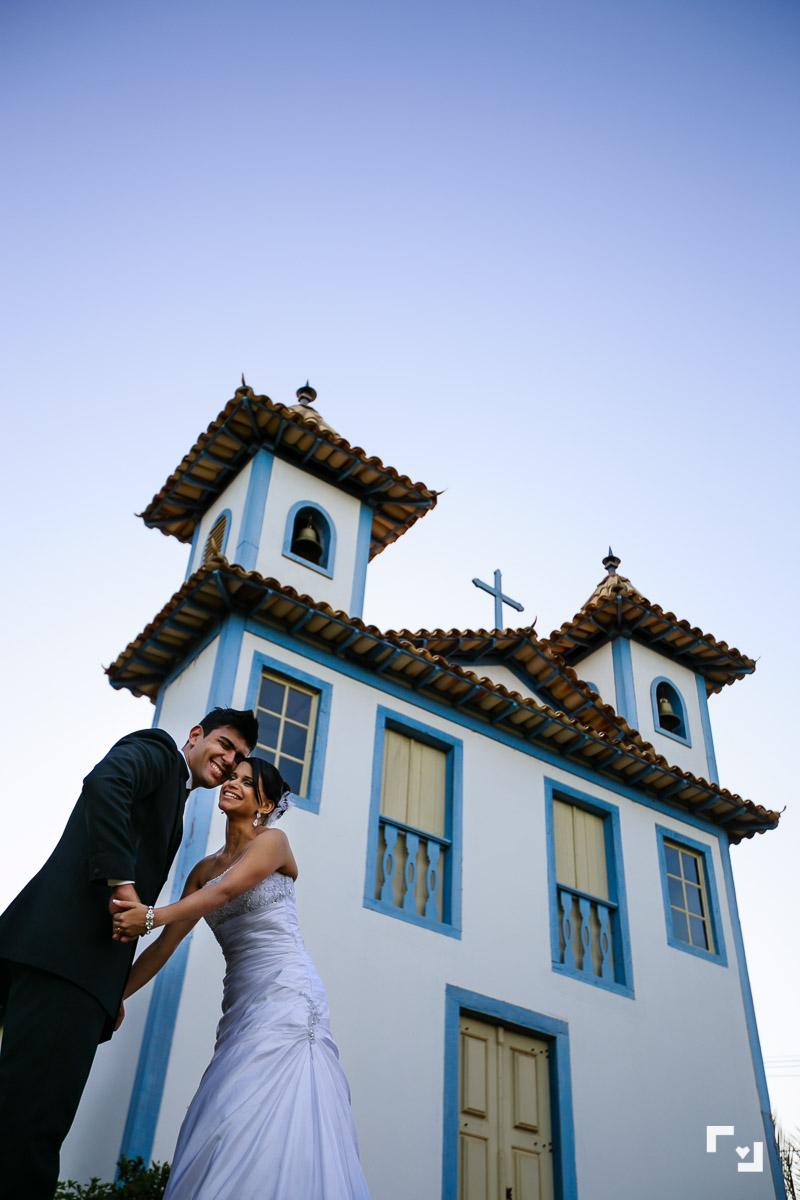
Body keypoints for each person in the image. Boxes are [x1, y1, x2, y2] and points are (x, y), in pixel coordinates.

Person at [0, 707, 259, 1200]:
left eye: (240, 758)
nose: (229, 761)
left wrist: (114, 988)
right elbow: (105, 783)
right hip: (65, 964)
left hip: (76, 972)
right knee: (31, 1130)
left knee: (19, 1117)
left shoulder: (176, 812)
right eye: (225, 745)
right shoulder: (158, 752)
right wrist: (123, 885)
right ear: (196, 735)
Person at [113, 756, 372, 1200]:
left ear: (265, 802)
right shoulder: (202, 871)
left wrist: (149, 915)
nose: (232, 783)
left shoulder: (274, 842)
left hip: (288, 989)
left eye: (246, 782)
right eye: (231, 776)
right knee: (228, 1107)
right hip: (241, 1002)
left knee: (272, 1099)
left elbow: (228, 891)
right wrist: (115, 996)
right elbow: (164, 947)